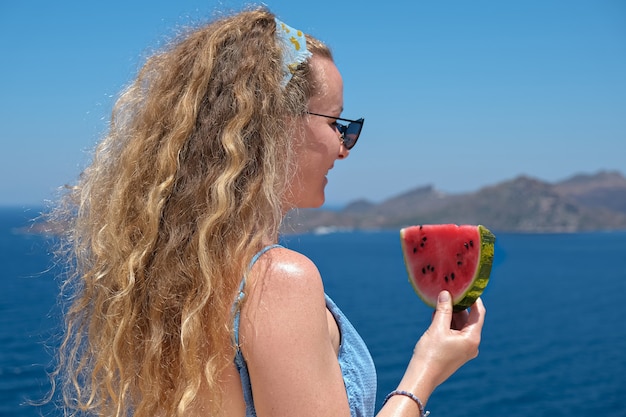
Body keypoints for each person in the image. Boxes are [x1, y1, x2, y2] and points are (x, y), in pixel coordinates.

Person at [50, 7, 486, 417]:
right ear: (274, 125)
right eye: (336, 123)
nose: (343, 146)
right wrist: (427, 369)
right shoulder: (278, 281)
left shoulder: (174, 275)